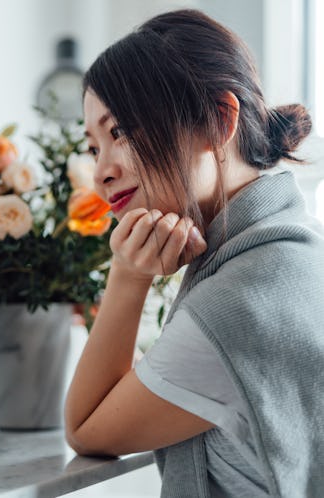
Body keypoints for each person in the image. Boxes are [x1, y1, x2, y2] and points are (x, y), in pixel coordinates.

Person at [63, 9, 324, 497]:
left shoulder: (238, 302)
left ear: (217, 120)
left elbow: (86, 427)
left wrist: (128, 276)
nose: (100, 172)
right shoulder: (296, 251)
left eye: (118, 131)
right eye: (93, 147)